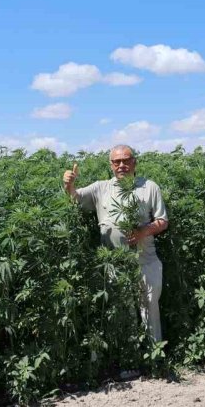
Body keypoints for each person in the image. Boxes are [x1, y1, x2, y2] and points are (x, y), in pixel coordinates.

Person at [62, 144, 169, 343]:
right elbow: (75, 200)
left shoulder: (149, 187)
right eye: (116, 162)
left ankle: (154, 355)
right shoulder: (100, 187)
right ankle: (130, 357)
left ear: (134, 162)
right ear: (111, 165)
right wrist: (69, 185)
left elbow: (162, 221)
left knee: (149, 306)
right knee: (123, 310)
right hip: (115, 263)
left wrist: (142, 232)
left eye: (126, 160)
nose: (122, 165)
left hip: (145, 260)